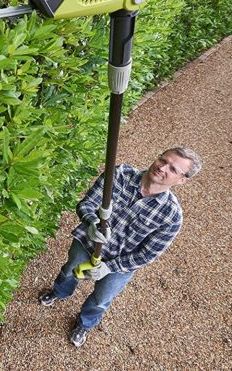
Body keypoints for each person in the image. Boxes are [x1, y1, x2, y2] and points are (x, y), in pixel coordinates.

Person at [38, 147, 202, 347]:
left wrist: (109, 268)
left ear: (182, 180)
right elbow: (86, 204)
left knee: (101, 299)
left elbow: (146, 254)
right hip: (88, 242)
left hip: (121, 264)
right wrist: (91, 223)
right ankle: (59, 292)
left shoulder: (172, 217)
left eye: (173, 170)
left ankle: (84, 324)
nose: (162, 167)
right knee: (69, 271)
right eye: (163, 159)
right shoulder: (119, 174)